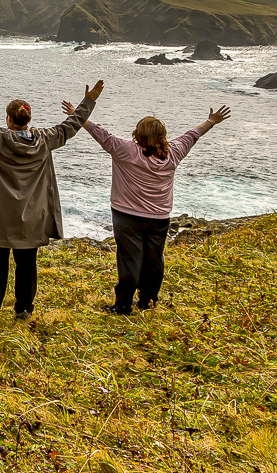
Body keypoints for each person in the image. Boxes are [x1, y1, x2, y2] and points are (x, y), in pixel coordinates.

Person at [0, 75, 104, 321]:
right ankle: (24, 310)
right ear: (29, 120)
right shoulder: (45, 140)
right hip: (32, 216)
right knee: (27, 264)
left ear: (9, 119)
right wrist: (89, 101)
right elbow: (71, 125)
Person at [63, 101, 231, 314]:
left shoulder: (125, 150)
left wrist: (78, 115)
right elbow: (193, 135)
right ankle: (148, 301)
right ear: (163, 137)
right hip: (159, 217)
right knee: (154, 261)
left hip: (127, 216)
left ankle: (123, 305)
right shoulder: (174, 152)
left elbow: (100, 133)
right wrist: (211, 121)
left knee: (129, 261)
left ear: (137, 135)